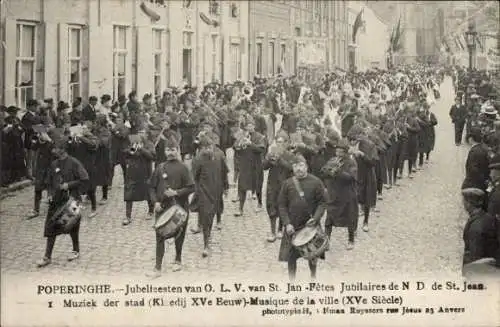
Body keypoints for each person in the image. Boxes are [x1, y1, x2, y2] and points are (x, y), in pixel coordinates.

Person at [36, 131, 89, 267]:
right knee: (50, 227)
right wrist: (49, 195)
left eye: (55, 148)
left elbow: (84, 178)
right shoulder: (54, 164)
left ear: (63, 150)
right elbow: (49, 182)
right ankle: (47, 256)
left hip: (72, 200)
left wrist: (69, 185)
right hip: (56, 200)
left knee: (72, 227)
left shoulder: (74, 163)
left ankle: (76, 250)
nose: (53, 150)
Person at [147, 136, 195, 278]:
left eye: (173, 149)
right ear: (164, 151)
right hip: (162, 208)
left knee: (179, 235)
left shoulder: (184, 168)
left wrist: (177, 192)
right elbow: (151, 187)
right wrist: (155, 202)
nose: (170, 153)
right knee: (159, 236)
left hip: (180, 208)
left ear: (178, 150)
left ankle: (178, 260)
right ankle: (157, 268)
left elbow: (192, 187)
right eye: (168, 150)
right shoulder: (160, 167)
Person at [278, 155, 327, 280]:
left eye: (300, 165)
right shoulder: (287, 184)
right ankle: (292, 282)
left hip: (309, 225)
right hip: (292, 226)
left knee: (312, 255)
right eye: (295, 166)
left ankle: (313, 277)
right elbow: (282, 205)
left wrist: (315, 218)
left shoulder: (316, 182)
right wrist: (287, 223)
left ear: (306, 166)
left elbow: (322, 202)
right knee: (291, 257)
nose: (298, 169)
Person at [191, 133, 229, 257]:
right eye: (205, 147)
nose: (208, 149)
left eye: (210, 146)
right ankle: (206, 245)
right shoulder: (197, 159)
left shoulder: (219, 156)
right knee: (206, 216)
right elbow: (194, 177)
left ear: (213, 146)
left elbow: (224, 173)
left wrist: (226, 187)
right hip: (203, 192)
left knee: (212, 215)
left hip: (216, 191)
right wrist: (197, 191)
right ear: (201, 148)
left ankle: (208, 233)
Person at [322, 139, 359, 250]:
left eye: (341, 152)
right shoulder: (333, 160)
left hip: (347, 195)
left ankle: (351, 240)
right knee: (329, 219)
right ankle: (326, 241)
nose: (338, 154)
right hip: (334, 193)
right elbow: (323, 171)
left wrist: (338, 171)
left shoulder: (351, 162)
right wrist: (328, 170)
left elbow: (351, 178)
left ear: (346, 152)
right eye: (337, 151)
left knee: (350, 218)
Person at [122, 129, 156, 225]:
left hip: (145, 173)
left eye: (142, 133)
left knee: (148, 193)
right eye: (139, 132)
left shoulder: (150, 144)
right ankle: (128, 216)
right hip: (132, 173)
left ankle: (151, 211)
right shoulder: (132, 142)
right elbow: (125, 153)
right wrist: (130, 151)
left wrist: (142, 149)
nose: (140, 134)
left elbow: (152, 156)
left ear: (146, 134)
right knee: (129, 194)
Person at [461, 188, 498, 266]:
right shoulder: (489, 217)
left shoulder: (475, 227)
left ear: (468, 203)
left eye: (463, 201)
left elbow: (476, 257)